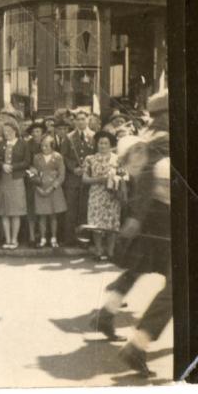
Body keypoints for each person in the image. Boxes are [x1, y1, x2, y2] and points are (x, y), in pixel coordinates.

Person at [91, 89, 171, 377]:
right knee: (175, 284)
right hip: (159, 217)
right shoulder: (161, 141)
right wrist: (136, 217)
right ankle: (138, 343)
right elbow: (148, 179)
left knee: (139, 268)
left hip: (153, 216)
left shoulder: (151, 139)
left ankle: (107, 313)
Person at [82, 131, 121, 261]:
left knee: (111, 223)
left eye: (105, 143)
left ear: (110, 144)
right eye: (100, 143)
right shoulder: (90, 159)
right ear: (96, 144)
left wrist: (115, 179)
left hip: (112, 194)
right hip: (96, 194)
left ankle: (111, 252)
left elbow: (124, 176)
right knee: (96, 223)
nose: (103, 145)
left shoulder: (117, 159)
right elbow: (85, 179)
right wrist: (100, 179)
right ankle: (98, 251)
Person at [0, 120, 31, 249]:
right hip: (4, 180)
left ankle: (14, 239)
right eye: (5, 132)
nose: (7, 134)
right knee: (5, 211)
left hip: (16, 179)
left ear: (15, 130)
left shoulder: (23, 144)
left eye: (9, 131)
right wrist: (2, 165)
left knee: (15, 211)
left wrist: (13, 167)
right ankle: (7, 239)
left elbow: (27, 162)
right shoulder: (0, 144)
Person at [61, 111, 95, 246]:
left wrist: (86, 169)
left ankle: (84, 240)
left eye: (83, 119)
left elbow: (96, 155)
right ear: (74, 122)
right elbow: (64, 156)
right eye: (78, 120)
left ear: (88, 120)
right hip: (73, 178)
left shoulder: (94, 136)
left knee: (85, 209)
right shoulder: (68, 137)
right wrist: (74, 168)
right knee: (71, 209)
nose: (80, 122)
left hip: (88, 178)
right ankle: (69, 239)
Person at [31, 135, 67, 248]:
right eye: (42, 145)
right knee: (42, 215)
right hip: (41, 188)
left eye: (46, 145)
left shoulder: (58, 157)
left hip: (54, 190)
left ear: (52, 146)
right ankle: (42, 239)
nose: (44, 148)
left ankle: (53, 238)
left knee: (53, 215)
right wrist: (38, 187)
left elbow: (61, 175)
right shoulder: (36, 157)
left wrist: (53, 187)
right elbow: (33, 173)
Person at [25, 121, 46, 247]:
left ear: (42, 133)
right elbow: (27, 161)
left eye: (38, 131)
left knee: (43, 208)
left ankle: (43, 236)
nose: (35, 134)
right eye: (33, 132)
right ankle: (32, 236)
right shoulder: (28, 145)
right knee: (31, 208)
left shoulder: (47, 143)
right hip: (32, 179)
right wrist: (31, 168)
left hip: (45, 178)